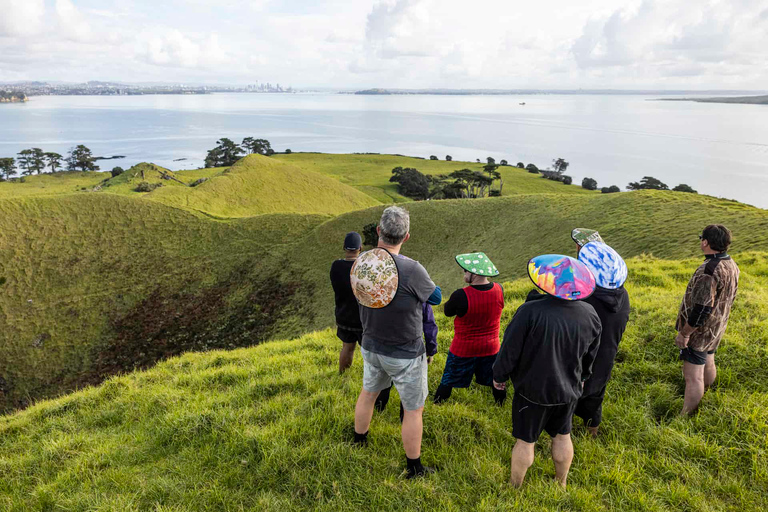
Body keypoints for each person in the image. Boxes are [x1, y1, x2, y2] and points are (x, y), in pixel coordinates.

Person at [493, 255, 601, 488]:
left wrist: (499, 377)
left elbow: (509, 351)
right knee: (563, 436)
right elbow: (591, 354)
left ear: (547, 281)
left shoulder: (529, 312)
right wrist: (583, 378)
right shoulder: (590, 314)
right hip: (568, 389)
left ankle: (515, 487)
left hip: (532, 391)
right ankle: (561, 483)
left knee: (525, 441)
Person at [352, 206, 442, 479]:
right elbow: (435, 297)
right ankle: (414, 467)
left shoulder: (361, 261)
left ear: (379, 231)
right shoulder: (412, 269)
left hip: (370, 344)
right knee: (414, 410)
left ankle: (358, 440)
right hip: (405, 351)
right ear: (407, 236)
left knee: (369, 393)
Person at [675, 224, 739, 415]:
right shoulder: (731, 263)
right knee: (709, 358)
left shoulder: (708, 271)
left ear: (705, 242)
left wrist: (685, 333)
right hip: (717, 326)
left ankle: (686, 416)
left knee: (692, 377)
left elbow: (702, 308)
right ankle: (707, 392)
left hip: (700, 330)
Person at [574, 241, 631, 437]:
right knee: (596, 395)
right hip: (606, 357)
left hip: (579, 361)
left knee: (568, 397)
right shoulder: (623, 297)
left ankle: (560, 433)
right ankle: (592, 432)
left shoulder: (585, 302)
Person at [434, 252, 506, 405]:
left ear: (474, 273)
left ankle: (437, 404)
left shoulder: (460, 295)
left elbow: (447, 312)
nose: (464, 273)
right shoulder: (499, 290)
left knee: (448, 379)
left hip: (463, 349)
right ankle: (501, 405)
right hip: (491, 347)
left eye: (465, 270)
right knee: (496, 380)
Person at [374, 302, 438, 420]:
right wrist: (431, 350)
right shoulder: (420, 294)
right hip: (410, 351)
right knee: (410, 388)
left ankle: (379, 409)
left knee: (385, 381)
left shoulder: (383, 292)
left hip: (384, 347)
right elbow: (429, 325)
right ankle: (405, 419)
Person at [329, 232, 363, 374]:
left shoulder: (336, 266)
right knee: (368, 352)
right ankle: (370, 380)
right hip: (362, 318)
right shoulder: (362, 267)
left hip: (343, 316)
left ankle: (342, 375)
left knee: (347, 348)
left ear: (344, 247)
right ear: (360, 248)